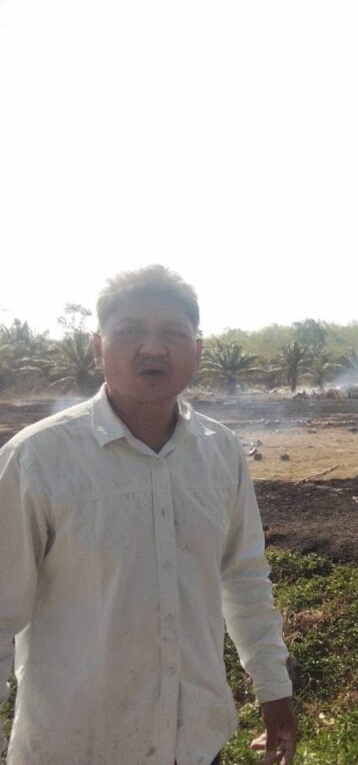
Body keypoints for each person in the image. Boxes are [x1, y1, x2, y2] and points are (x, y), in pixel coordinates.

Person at [0, 265, 298, 765]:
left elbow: (244, 577)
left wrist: (274, 689)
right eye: (131, 332)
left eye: (173, 334)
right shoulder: (37, 460)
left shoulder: (221, 452)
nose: (153, 349)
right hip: (74, 746)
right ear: (98, 348)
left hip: (194, 746)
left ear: (197, 351)